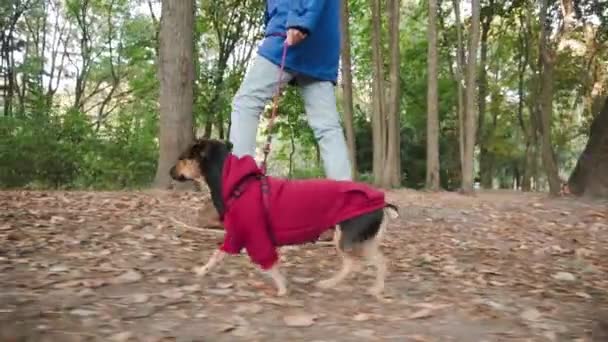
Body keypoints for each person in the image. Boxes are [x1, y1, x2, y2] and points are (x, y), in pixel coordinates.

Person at [228, 0, 352, 181]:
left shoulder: (297, 21)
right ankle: (349, 197)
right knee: (327, 126)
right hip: (321, 38)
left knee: (246, 102)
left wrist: (299, 20)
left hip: (292, 27)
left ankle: (240, 184)